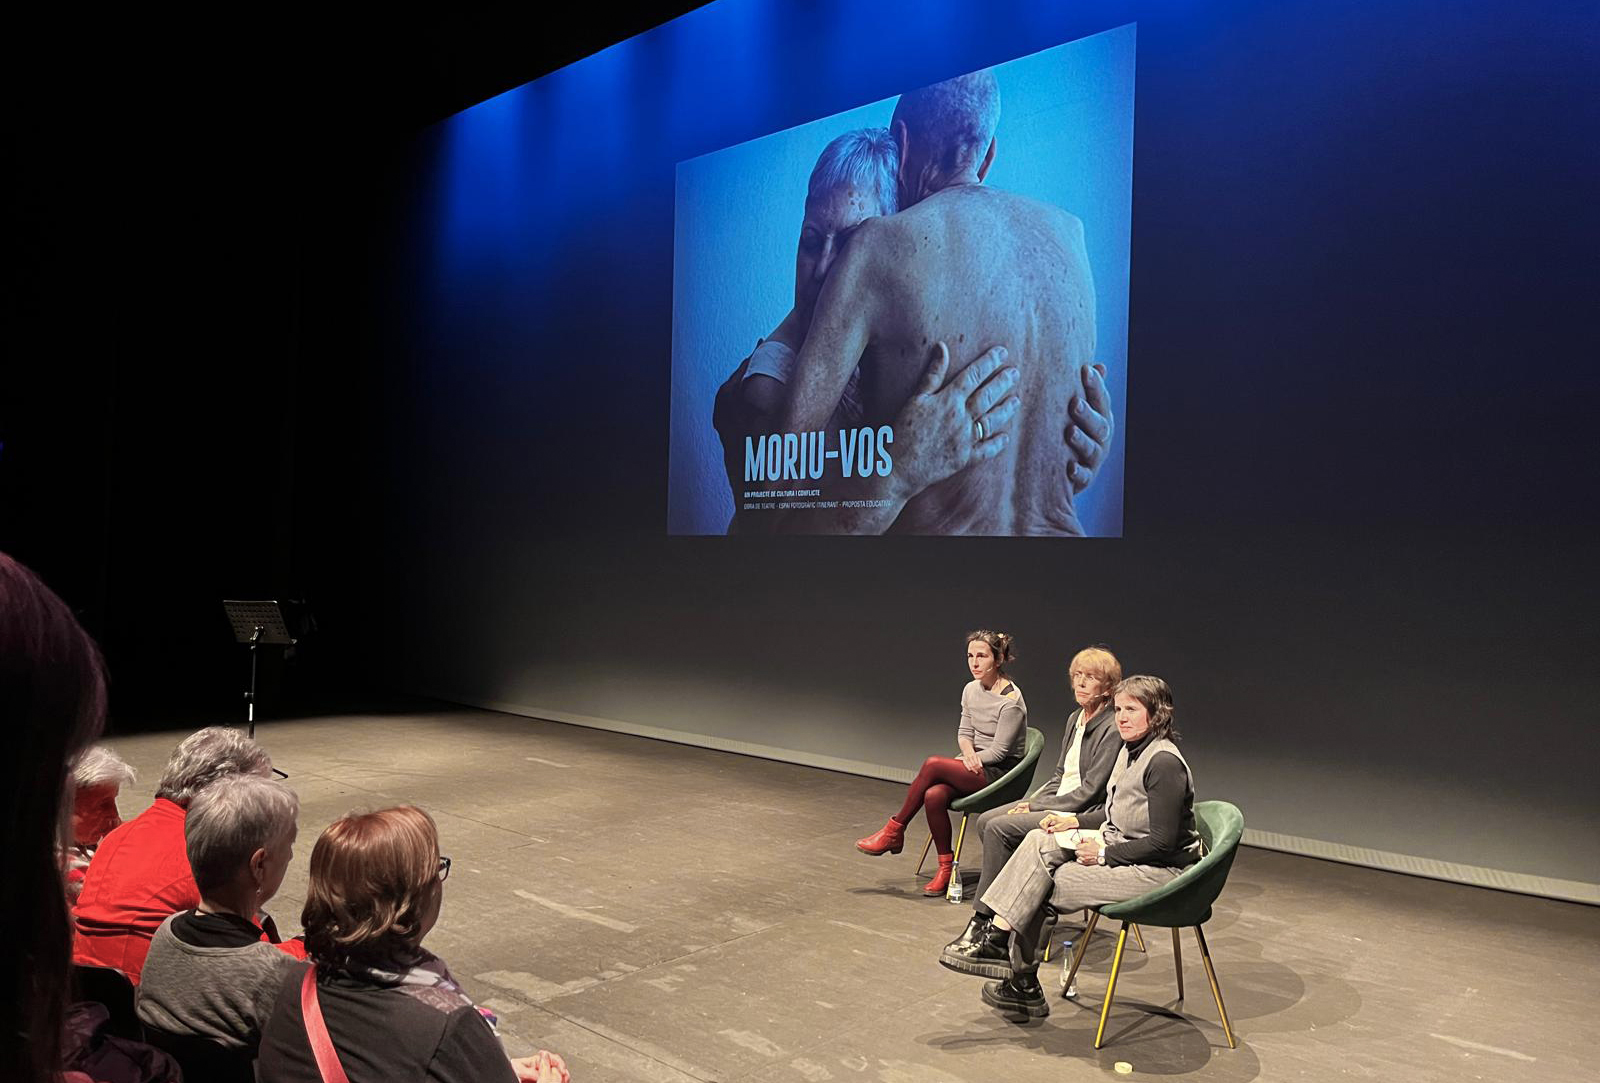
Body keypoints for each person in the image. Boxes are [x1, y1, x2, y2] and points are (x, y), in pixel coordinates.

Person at [712, 124, 1116, 535]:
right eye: (812, 241)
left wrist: (1066, 451)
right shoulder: (771, 384)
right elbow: (778, 547)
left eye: (850, 246)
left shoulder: (903, 347)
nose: (822, 269)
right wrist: (900, 470)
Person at [939, 675, 1203, 1018]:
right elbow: (1116, 813)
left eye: (1132, 710)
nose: (1121, 718)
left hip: (1160, 872)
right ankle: (999, 944)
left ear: (1157, 714)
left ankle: (1018, 976)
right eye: (1118, 709)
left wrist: (1104, 854)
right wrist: (1074, 822)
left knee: (1044, 883)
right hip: (1126, 849)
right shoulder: (1130, 751)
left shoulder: (1164, 763)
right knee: (1039, 839)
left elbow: (1162, 843)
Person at [256, 806, 570, 1083]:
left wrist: (491, 1067)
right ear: (411, 901)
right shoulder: (447, 1025)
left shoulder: (298, 983)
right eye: (436, 870)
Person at [74, 726, 275, 983]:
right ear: (226, 795)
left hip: (91, 991)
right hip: (147, 997)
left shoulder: (119, 836)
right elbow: (260, 959)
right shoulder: (206, 852)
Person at [954, 645, 1122, 944]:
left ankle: (984, 917)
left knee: (999, 828)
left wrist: (1036, 806)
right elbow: (1060, 775)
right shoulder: (1075, 718)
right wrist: (1034, 802)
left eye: (1091, 677)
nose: (1081, 683)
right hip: (1056, 800)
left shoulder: (1111, 727)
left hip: (1079, 812)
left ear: (1108, 687)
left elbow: (1089, 791)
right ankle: (1015, 905)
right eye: (1077, 676)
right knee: (986, 821)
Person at [137, 774, 303, 1050]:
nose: (291, 856)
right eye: (289, 846)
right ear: (259, 865)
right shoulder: (274, 972)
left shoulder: (164, 934)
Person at [856, 630, 1026, 896]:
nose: (974, 663)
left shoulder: (1011, 701)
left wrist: (973, 758)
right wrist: (968, 754)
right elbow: (964, 733)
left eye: (982, 656)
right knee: (934, 795)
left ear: (998, 659)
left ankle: (894, 830)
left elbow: (1000, 752)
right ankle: (946, 868)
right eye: (970, 656)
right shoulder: (970, 689)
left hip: (1000, 773)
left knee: (933, 764)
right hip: (975, 763)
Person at [64, 745, 138, 902]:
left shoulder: (79, 837)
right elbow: (124, 898)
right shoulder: (63, 864)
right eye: (102, 804)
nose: (114, 813)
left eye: (113, 801)